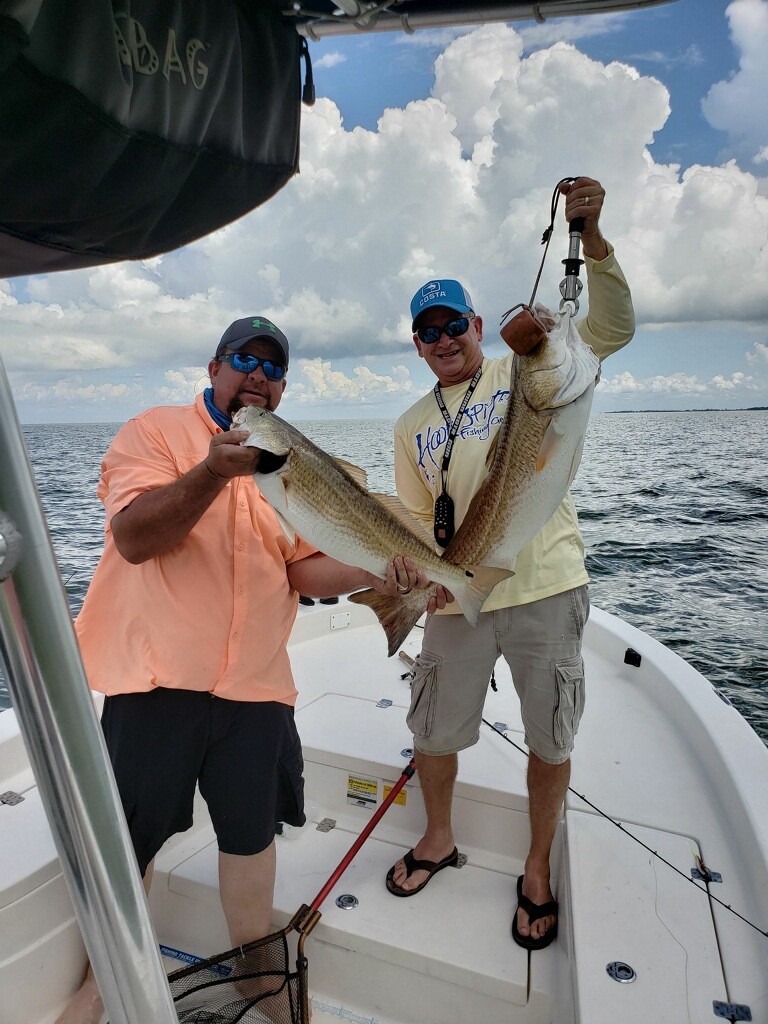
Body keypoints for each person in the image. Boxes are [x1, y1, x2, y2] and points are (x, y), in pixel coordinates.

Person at [58, 316, 440, 1024]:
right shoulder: (155, 432)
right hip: (157, 681)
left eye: (273, 368)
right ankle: (103, 978)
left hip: (256, 686)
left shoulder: (288, 460)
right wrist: (212, 471)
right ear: (214, 368)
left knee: (251, 837)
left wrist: (379, 568)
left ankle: (254, 967)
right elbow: (135, 538)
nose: (258, 376)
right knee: (130, 841)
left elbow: (302, 569)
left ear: (283, 388)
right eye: (244, 360)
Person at [385, 178, 635, 951]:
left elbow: (610, 328)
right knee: (432, 729)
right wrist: (415, 574)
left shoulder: (528, 369)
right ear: (418, 345)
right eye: (428, 331)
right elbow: (414, 519)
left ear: (477, 325)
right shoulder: (410, 423)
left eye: (453, 323)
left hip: (545, 587)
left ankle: (535, 865)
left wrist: (593, 241)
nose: (443, 338)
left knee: (549, 737)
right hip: (459, 592)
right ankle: (437, 838)